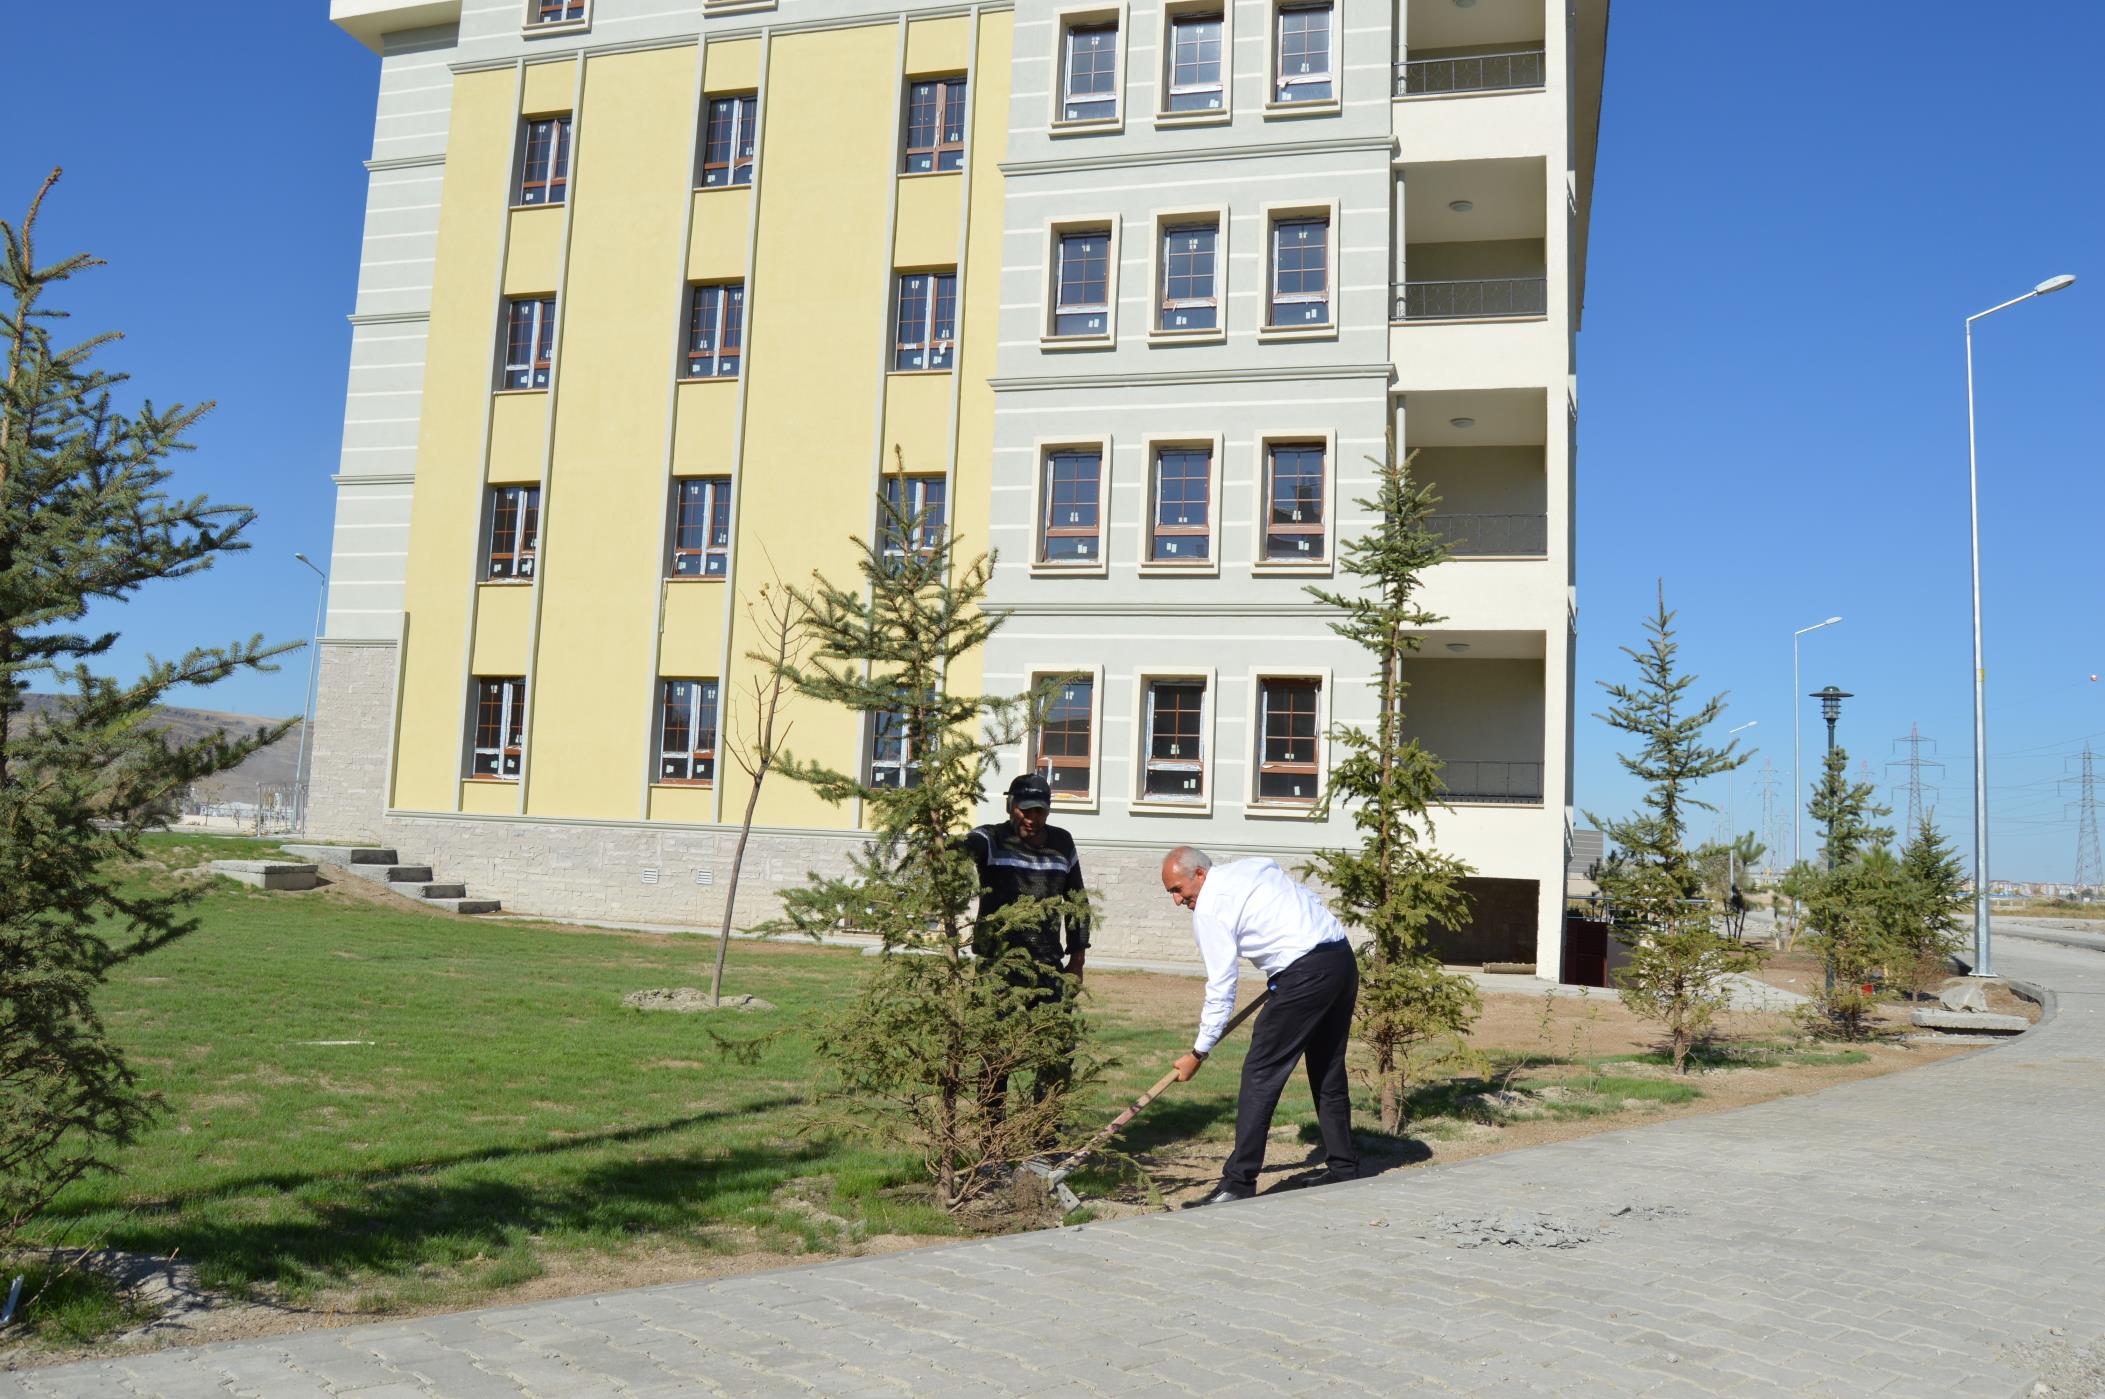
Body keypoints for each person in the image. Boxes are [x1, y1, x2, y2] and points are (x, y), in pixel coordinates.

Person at [1160, 845, 1358, 1206]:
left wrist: (1199, 1052)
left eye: (1178, 889)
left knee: (1260, 1075)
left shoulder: (1209, 908)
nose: (1177, 900)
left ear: (1199, 874)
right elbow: (1299, 894)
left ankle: (1238, 1183)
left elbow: (1222, 986)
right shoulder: (1251, 867)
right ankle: (1344, 1168)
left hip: (1304, 972)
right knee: (1328, 1069)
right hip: (1339, 959)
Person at [967, 773, 1091, 1104]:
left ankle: (1045, 1130)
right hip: (998, 966)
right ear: (1011, 806)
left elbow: (1077, 902)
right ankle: (991, 1132)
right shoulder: (991, 838)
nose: (1033, 819)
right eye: (1025, 810)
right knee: (994, 1054)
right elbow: (967, 846)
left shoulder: (1062, 842)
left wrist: (1077, 961)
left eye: (1040, 811)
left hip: (1047, 965)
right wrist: (950, 852)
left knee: (1056, 1050)